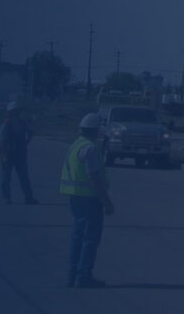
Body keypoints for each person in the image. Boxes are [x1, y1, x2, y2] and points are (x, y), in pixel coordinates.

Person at [60, 112, 115, 288]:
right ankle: (83, 275)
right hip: (89, 198)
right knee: (90, 238)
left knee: (77, 236)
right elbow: (93, 176)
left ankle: (72, 275)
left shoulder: (76, 145)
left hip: (75, 197)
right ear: (95, 130)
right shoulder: (90, 148)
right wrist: (106, 201)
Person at [0, 102, 39, 204]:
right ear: (9, 112)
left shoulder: (23, 123)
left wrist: (26, 143)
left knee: (24, 177)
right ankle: (6, 197)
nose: (14, 113)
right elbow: (1, 142)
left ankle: (28, 198)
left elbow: (31, 132)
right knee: (6, 177)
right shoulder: (5, 125)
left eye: (16, 111)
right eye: (12, 111)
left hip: (20, 155)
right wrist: (4, 156)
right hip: (8, 155)